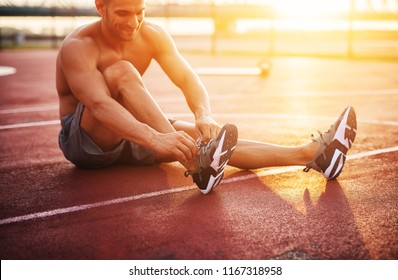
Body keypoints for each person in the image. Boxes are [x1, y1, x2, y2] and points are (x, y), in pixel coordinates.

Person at [56, 0, 357, 194]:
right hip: (87, 142)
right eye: (123, 13)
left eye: (140, 12)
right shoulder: (79, 46)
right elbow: (99, 104)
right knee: (121, 71)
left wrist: (204, 115)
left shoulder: (152, 35)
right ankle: (197, 163)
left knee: (207, 143)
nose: (133, 22)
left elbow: (187, 78)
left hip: (136, 131)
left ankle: (315, 154)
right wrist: (160, 138)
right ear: (100, 6)